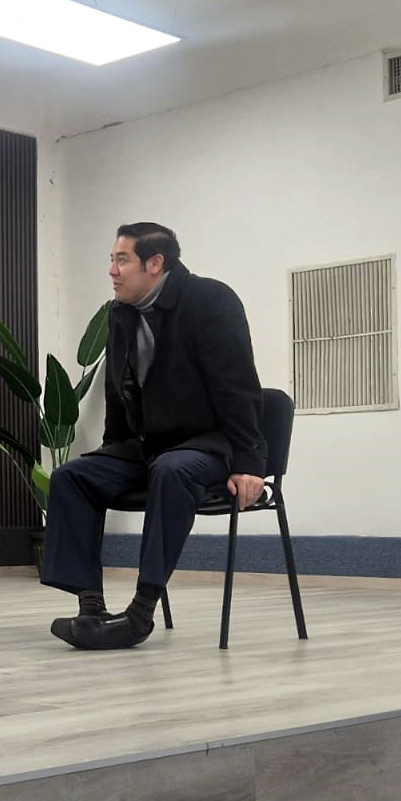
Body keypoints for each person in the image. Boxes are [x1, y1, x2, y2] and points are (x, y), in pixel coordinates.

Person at [41, 222, 266, 650]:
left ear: (155, 263)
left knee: (171, 470)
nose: (112, 270)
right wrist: (110, 453)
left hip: (210, 445)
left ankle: (140, 614)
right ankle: (92, 609)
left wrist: (249, 462)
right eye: (112, 260)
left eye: (122, 260)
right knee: (73, 477)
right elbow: (118, 392)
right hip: (149, 448)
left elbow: (238, 388)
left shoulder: (210, 301)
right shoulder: (120, 312)